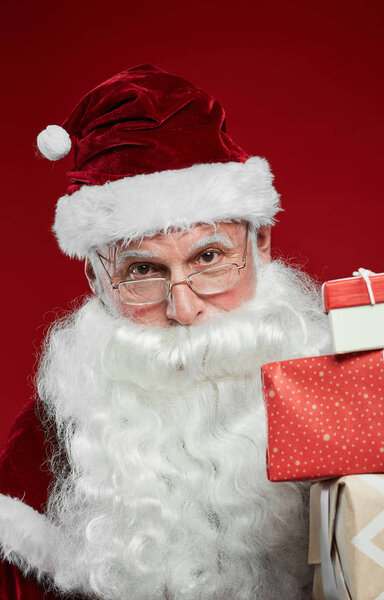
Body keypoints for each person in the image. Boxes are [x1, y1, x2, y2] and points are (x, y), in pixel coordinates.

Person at [0, 65, 330, 599]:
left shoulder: (344, 383)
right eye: (143, 271)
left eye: (209, 256)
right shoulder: (51, 439)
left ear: (262, 243)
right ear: (96, 280)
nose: (182, 308)